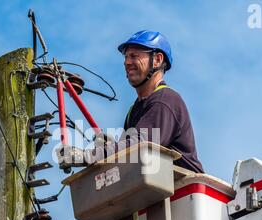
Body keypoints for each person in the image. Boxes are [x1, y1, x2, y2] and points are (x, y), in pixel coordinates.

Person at [57, 30, 204, 173]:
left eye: (134, 56)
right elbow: (128, 157)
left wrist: (88, 156)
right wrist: (110, 147)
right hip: (158, 191)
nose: (127, 62)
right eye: (126, 57)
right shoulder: (134, 110)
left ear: (158, 60)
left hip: (187, 192)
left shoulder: (165, 99)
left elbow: (140, 146)